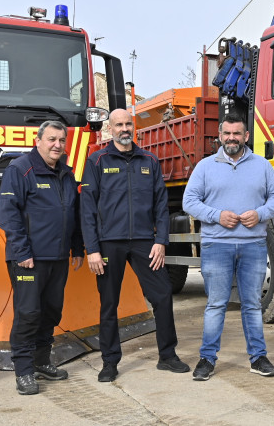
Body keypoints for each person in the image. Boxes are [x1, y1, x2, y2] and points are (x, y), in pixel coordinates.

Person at [80, 109, 189, 383]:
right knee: (109, 304)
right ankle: (109, 362)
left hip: (144, 242)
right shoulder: (97, 161)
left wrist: (161, 241)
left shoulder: (149, 160)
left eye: (128, 124)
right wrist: (92, 248)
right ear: (111, 128)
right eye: (119, 124)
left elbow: (161, 206)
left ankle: (167, 356)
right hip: (108, 243)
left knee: (163, 296)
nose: (124, 128)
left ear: (134, 127)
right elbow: (87, 208)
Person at [182, 114, 274, 381]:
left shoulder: (262, 166)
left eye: (236, 134)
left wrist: (261, 214)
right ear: (219, 135)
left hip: (253, 246)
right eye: (226, 133)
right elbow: (189, 202)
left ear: (246, 136)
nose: (231, 138)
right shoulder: (205, 167)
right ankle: (207, 359)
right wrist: (217, 215)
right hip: (217, 246)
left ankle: (258, 357)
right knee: (216, 304)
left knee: (252, 303)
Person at [0, 120, 84, 395]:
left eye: (61, 140)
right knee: (28, 313)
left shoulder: (67, 174)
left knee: (50, 311)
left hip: (57, 257)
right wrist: (22, 252)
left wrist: (77, 248)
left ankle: (42, 362)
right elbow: (7, 213)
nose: (57, 145)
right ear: (38, 141)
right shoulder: (20, 169)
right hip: (28, 258)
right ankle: (23, 371)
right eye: (51, 139)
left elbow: (74, 214)